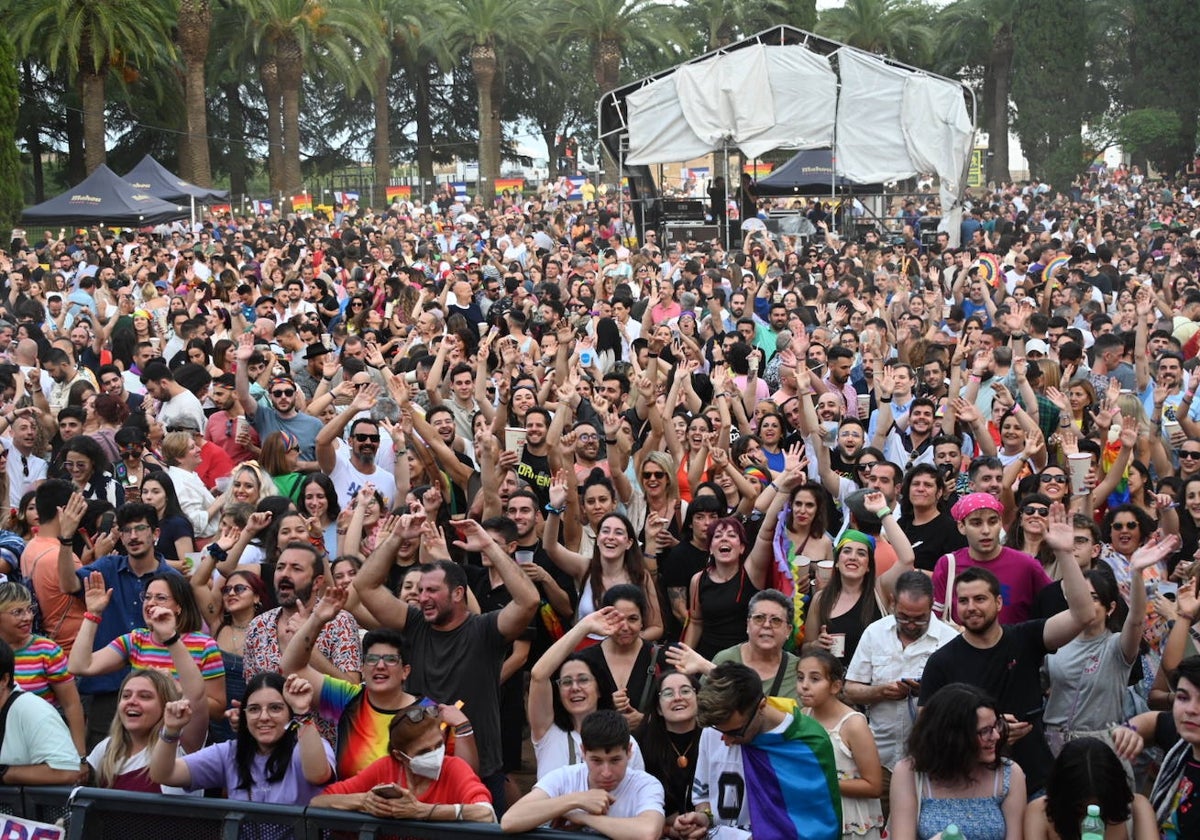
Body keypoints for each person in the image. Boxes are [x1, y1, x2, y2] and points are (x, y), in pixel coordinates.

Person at [355, 513, 540, 812]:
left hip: (476, 770)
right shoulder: (413, 623)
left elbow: (528, 601)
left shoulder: (485, 630)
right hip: (419, 767)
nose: (422, 597)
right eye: (420, 590)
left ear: (458, 594)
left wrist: (489, 548)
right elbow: (365, 586)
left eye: (432, 590)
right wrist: (397, 538)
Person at [919, 501, 1093, 798]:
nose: (971, 608)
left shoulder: (1025, 638)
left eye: (980, 599)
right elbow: (926, 732)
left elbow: (1082, 615)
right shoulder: (941, 662)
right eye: (963, 601)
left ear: (999, 603)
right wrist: (987, 732)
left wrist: (1065, 553)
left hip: (1033, 777)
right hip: (971, 783)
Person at [681, 661, 841, 840]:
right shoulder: (715, 729)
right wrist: (705, 818)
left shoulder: (808, 743)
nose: (725, 741)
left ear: (762, 706)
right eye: (720, 731)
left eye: (735, 732)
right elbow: (704, 795)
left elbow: (818, 829)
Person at [843, 572, 957, 810]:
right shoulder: (875, 633)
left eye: (920, 618)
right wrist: (881, 692)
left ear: (931, 606)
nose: (912, 625)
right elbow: (850, 689)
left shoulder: (950, 641)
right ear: (892, 602)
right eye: (904, 617)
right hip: (879, 760)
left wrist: (929, 693)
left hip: (931, 763)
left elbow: (962, 702)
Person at [149, 671, 335, 804]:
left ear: (290, 713)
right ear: (244, 716)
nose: (263, 717)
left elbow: (318, 775)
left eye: (275, 708)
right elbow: (164, 774)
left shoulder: (306, 746)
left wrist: (302, 712)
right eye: (254, 709)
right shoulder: (230, 752)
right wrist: (171, 730)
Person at [310, 704, 496, 823]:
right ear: (400, 757)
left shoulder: (454, 767)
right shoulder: (385, 767)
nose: (435, 755)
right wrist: (364, 801)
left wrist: (421, 811)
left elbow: (486, 814)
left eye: (438, 745)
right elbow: (318, 802)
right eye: (423, 751)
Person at [889, 682, 1026, 840]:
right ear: (954, 737)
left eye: (996, 726)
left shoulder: (1009, 773)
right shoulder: (909, 772)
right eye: (985, 731)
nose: (996, 736)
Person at [501, 709, 665, 838]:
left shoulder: (646, 784)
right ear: (583, 752)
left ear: (629, 751)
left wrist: (583, 818)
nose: (606, 772)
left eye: (615, 760)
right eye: (597, 761)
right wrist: (576, 800)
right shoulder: (564, 777)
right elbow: (510, 821)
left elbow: (648, 832)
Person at [528, 605, 646, 779]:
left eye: (583, 679)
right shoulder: (548, 731)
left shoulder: (626, 742)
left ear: (599, 689)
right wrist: (584, 627)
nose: (575, 687)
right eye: (566, 682)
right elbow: (539, 675)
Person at [87, 646, 209, 793]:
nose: (132, 701)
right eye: (126, 696)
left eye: (145, 696)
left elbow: (196, 695)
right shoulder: (106, 747)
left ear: (166, 705)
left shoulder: (181, 744)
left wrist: (170, 639)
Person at [798, 650, 884, 840]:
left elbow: (874, 786)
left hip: (850, 819)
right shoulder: (803, 716)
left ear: (835, 686)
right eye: (800, 677)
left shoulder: (853, 725)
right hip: (815, 816)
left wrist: (822, 783)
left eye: (815, 679)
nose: (804, 686)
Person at [0, 582, 86, 756]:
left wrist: (80, 756)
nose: (27, 617)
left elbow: (71, 705)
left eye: (29, 609)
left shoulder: (47, 650)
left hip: (42, 748)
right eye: (17, 612)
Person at [1024, 737, 1157, 840]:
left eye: (1101, 808)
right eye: (1080, 809)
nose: (1091, 816)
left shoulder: (1138, 808)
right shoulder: (1039, 812)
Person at [0, 638, 81, 786]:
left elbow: (67, 771)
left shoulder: (33, 710)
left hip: (31, 808)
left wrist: (5, 773)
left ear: (4, 680)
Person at [634, 670, 701, 826]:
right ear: (658, 708)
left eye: (685, 691)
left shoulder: (715, 738)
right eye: (668, 693)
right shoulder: (641, 742)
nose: (678, 698)